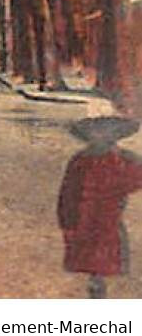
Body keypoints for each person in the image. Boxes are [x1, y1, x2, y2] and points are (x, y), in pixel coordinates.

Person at [57, 110, 142, 298]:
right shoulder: (83, 160)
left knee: (102, 252)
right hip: (85, 215)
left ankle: (97, 284)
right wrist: (65, 218)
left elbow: (134, 179)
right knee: (91, 253)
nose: (102, 140)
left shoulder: (118, 159)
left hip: (105, 216)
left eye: (107, 136)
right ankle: (96, 285)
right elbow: (68, 191)